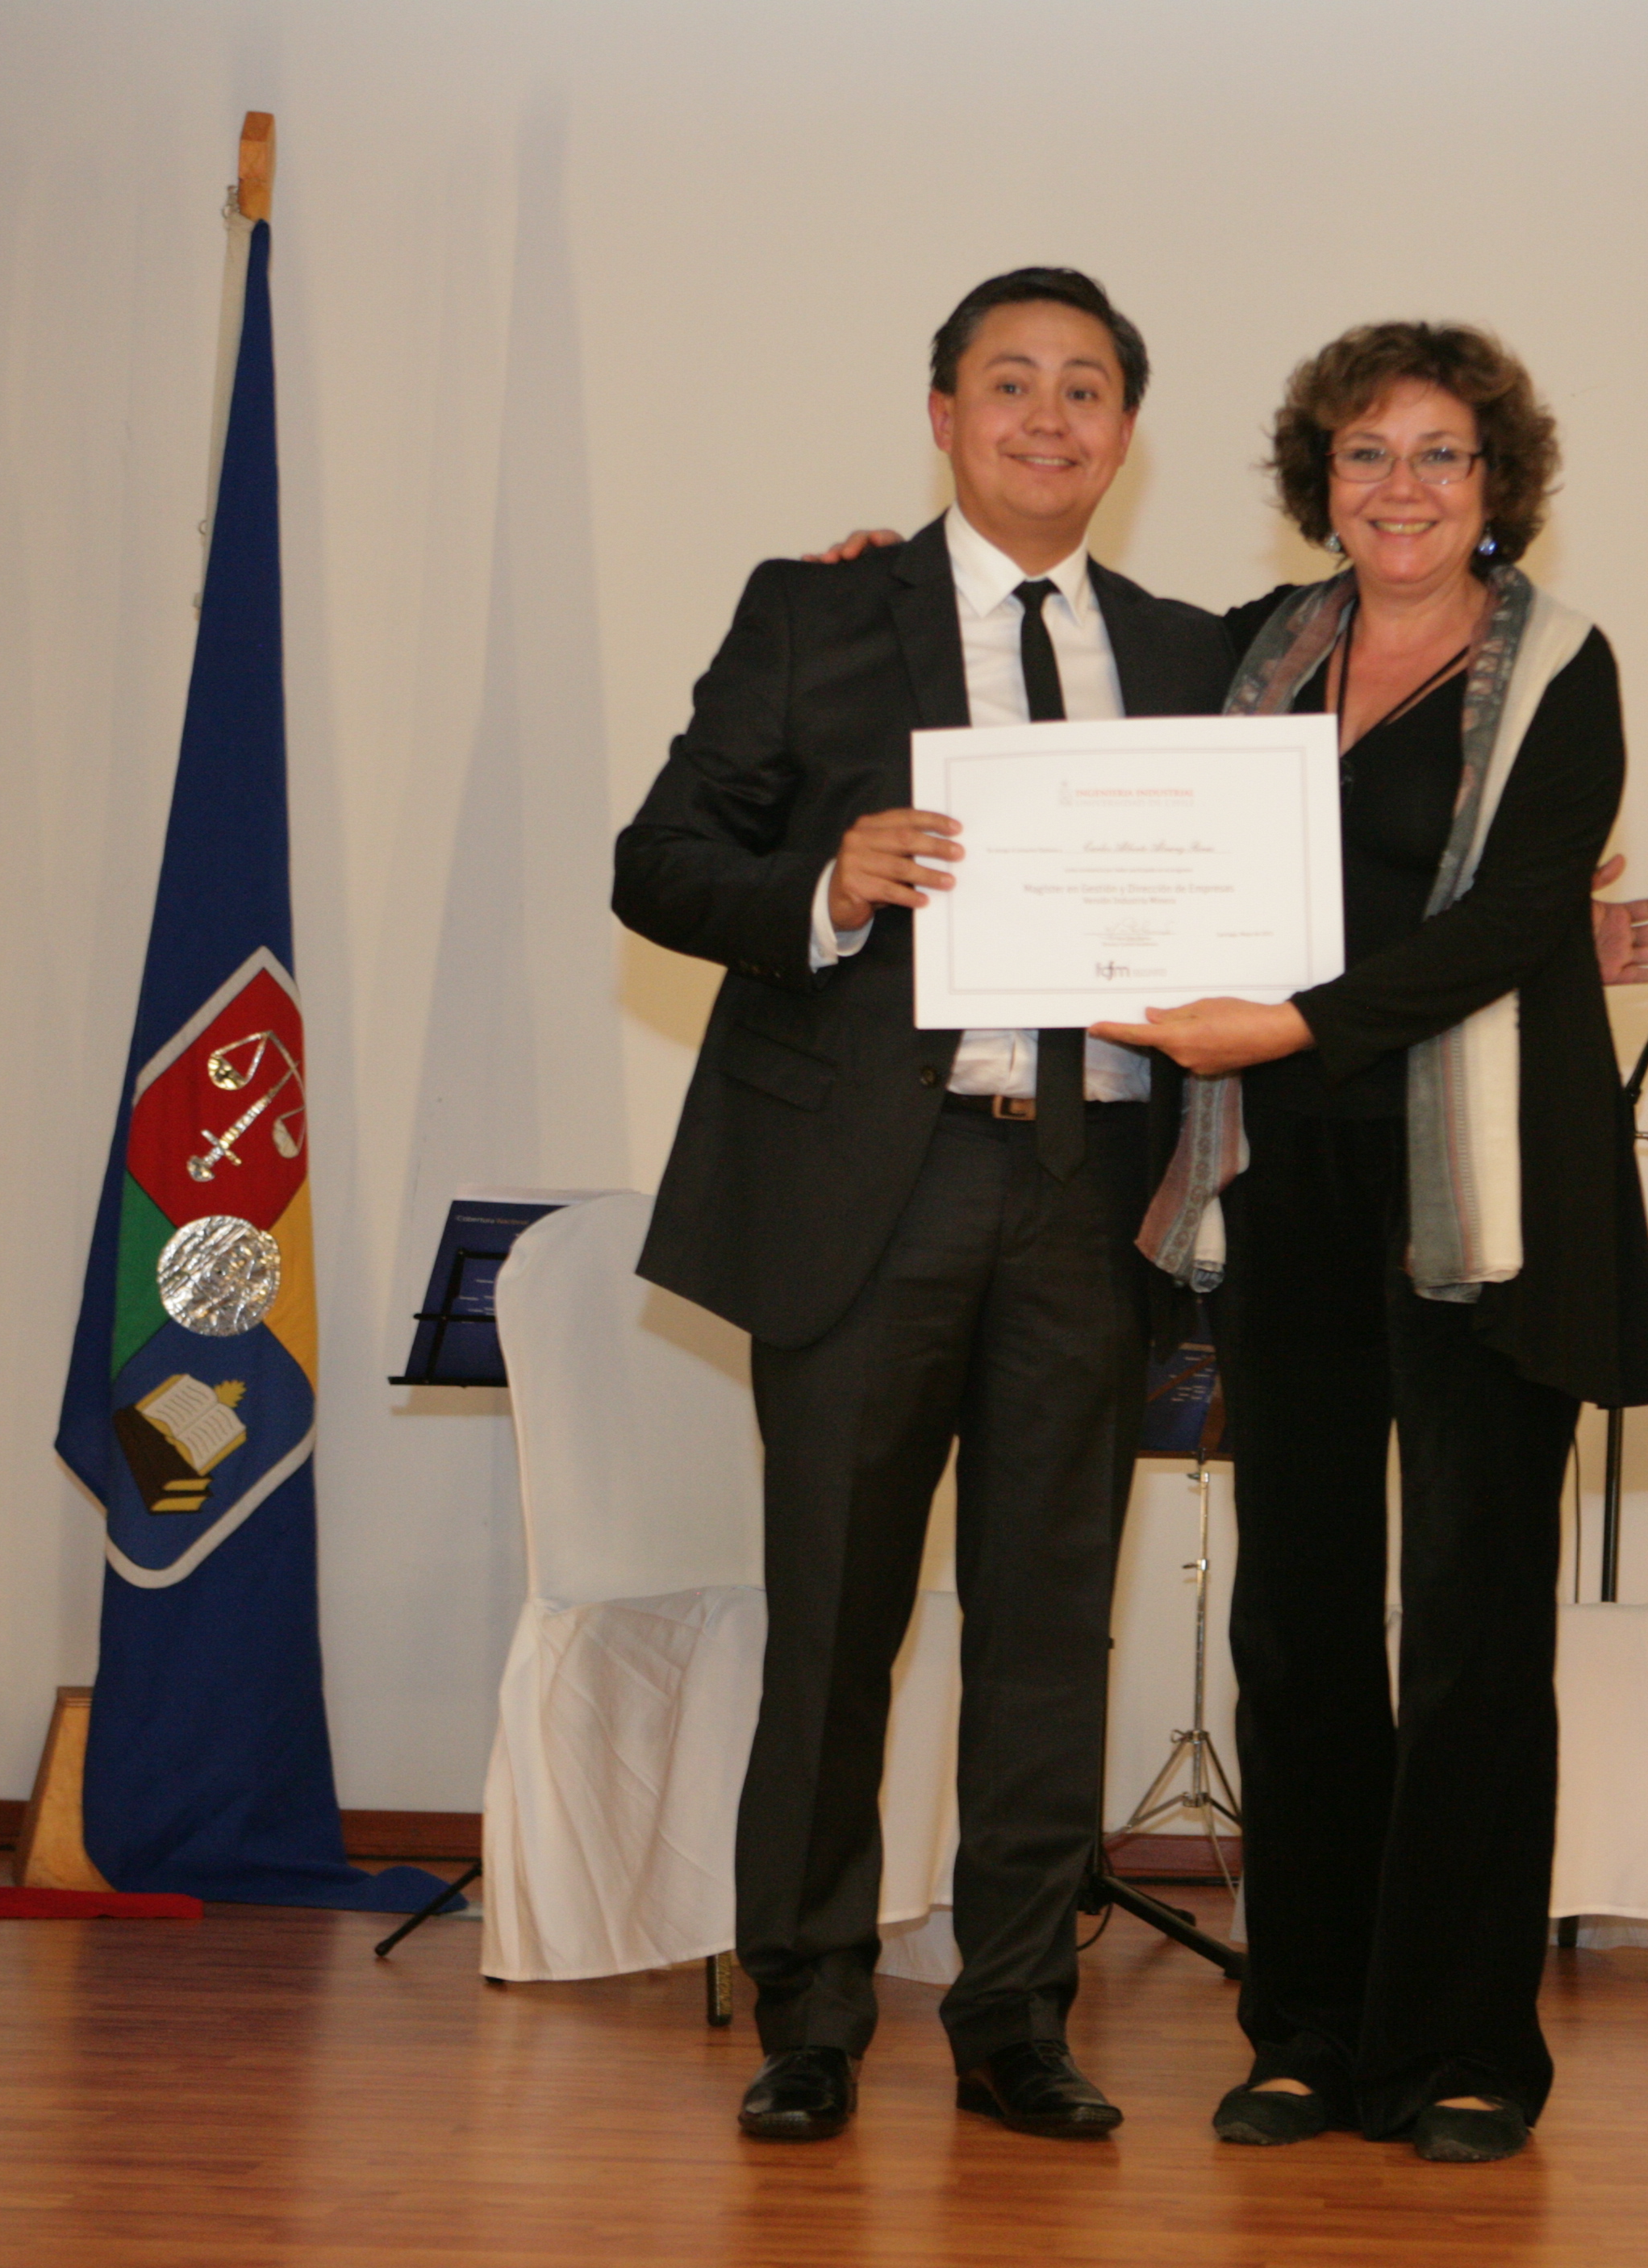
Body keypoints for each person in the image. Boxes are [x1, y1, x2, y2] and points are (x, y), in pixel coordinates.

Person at [612, 268, 1236, 2144]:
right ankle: (808, 2014)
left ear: (1127, 433)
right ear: (946, 414)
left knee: (1049, 1636)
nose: (1049, 417)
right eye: (1010, 382)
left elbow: (1308, 869)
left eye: (1087, 388)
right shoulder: (816, 610)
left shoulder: (1195, 653)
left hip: (1092, 1190)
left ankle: (1016, 2016)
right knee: (834, 1624)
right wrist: (824, 881)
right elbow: (661, 862)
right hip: (867, 1193)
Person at [1095, 321, 1648, 2166]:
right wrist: (871, 566)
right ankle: (1309, 2032)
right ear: (1318, 479)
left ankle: (1465, 2046)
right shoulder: (1252, 655)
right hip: (1285, 1180)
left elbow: (1514, 920)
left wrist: (1292, 1022)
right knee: (1299, 1614)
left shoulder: (1565, 666)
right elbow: (1077, 698)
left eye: (1439, 453)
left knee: (1479, 1627)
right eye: (1366, 452)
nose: (1399, 486)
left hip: (1488, 1200)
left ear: (1497, 486)